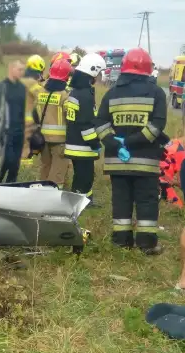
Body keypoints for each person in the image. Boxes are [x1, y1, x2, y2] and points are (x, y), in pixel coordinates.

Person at [96, 47, 167, 254]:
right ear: (147, 69)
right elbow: (156, 127)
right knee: (146, 201)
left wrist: (114, 142)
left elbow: (100, 122)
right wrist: (132, 141)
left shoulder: (111, 93)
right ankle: (146, 244)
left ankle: (121, 241)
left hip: (118, 161)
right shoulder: (156, 93)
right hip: (145, 161)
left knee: (121, 201)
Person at [64, 53, 107, 201]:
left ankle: (84, 201)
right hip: (82, 146)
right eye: (99, 73)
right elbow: (85, 124)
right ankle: (79, 203)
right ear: (92, 72)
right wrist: (95, 143)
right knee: (85, 177)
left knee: (81, 176)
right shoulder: (85, 95)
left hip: (74, 143)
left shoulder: (75, 91)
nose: (99, 77)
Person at [37, 56, 73, 186]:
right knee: (58, 172)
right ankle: (53, 197)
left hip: (42, 137)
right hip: (60, 140)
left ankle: (39, 193)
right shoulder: (65, 95)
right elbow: (70, 116)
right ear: (66, 76)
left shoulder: (41, 90)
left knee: (45, 168)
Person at [0, 59, 31, 183]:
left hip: (19, 130)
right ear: (11, 69)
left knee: (15, 163)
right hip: (6, 131)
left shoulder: (22, 88)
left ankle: (11, 185)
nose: (22, 72)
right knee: (7, 160)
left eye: (23, 70)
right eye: (19, 69)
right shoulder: (2, 87)